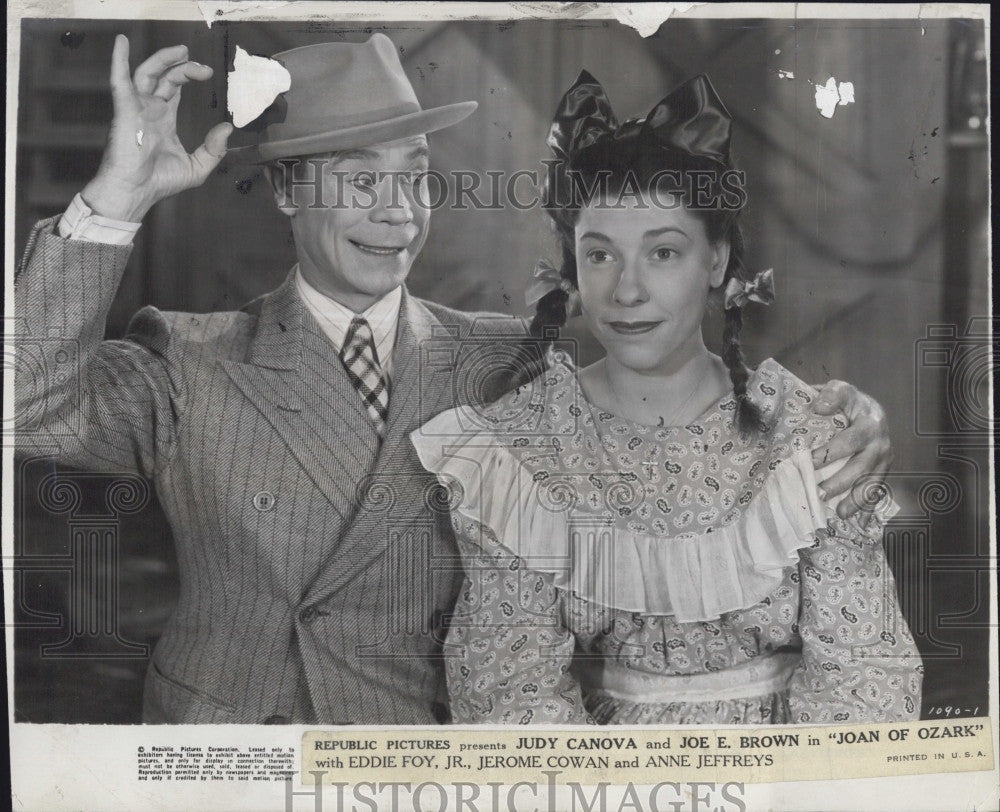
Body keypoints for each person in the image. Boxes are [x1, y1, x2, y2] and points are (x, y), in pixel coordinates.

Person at [15, 32, 895, 725]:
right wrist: (117, 201)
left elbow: (666, 384)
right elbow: (25, 407)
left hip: (424, 764)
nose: (397, 214)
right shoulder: (191, 361)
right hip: (231, 760)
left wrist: (846, 414)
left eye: (415, 180)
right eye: (361, 181)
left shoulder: (510, 364)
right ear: (285, 190)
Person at [410, 72, 922, 724]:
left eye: (662, 252)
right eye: (600, 256)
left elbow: (865, 680)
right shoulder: (526, 443)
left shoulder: (808, 433)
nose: (627, 291)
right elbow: (509, 690)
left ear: (716, 260)